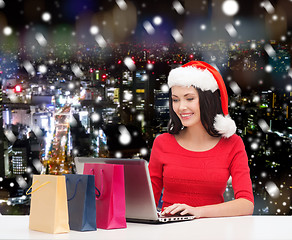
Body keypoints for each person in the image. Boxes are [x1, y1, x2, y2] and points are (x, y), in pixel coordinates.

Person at [149, 61, 254, 219]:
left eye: (189, 98)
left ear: (207, 100)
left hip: (212, 231)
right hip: (169, 231)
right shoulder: (162, 143)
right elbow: (148, 200)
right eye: (175, 100)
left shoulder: (233, 143)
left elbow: (246, 203)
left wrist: (197, 212)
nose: (181, 107)